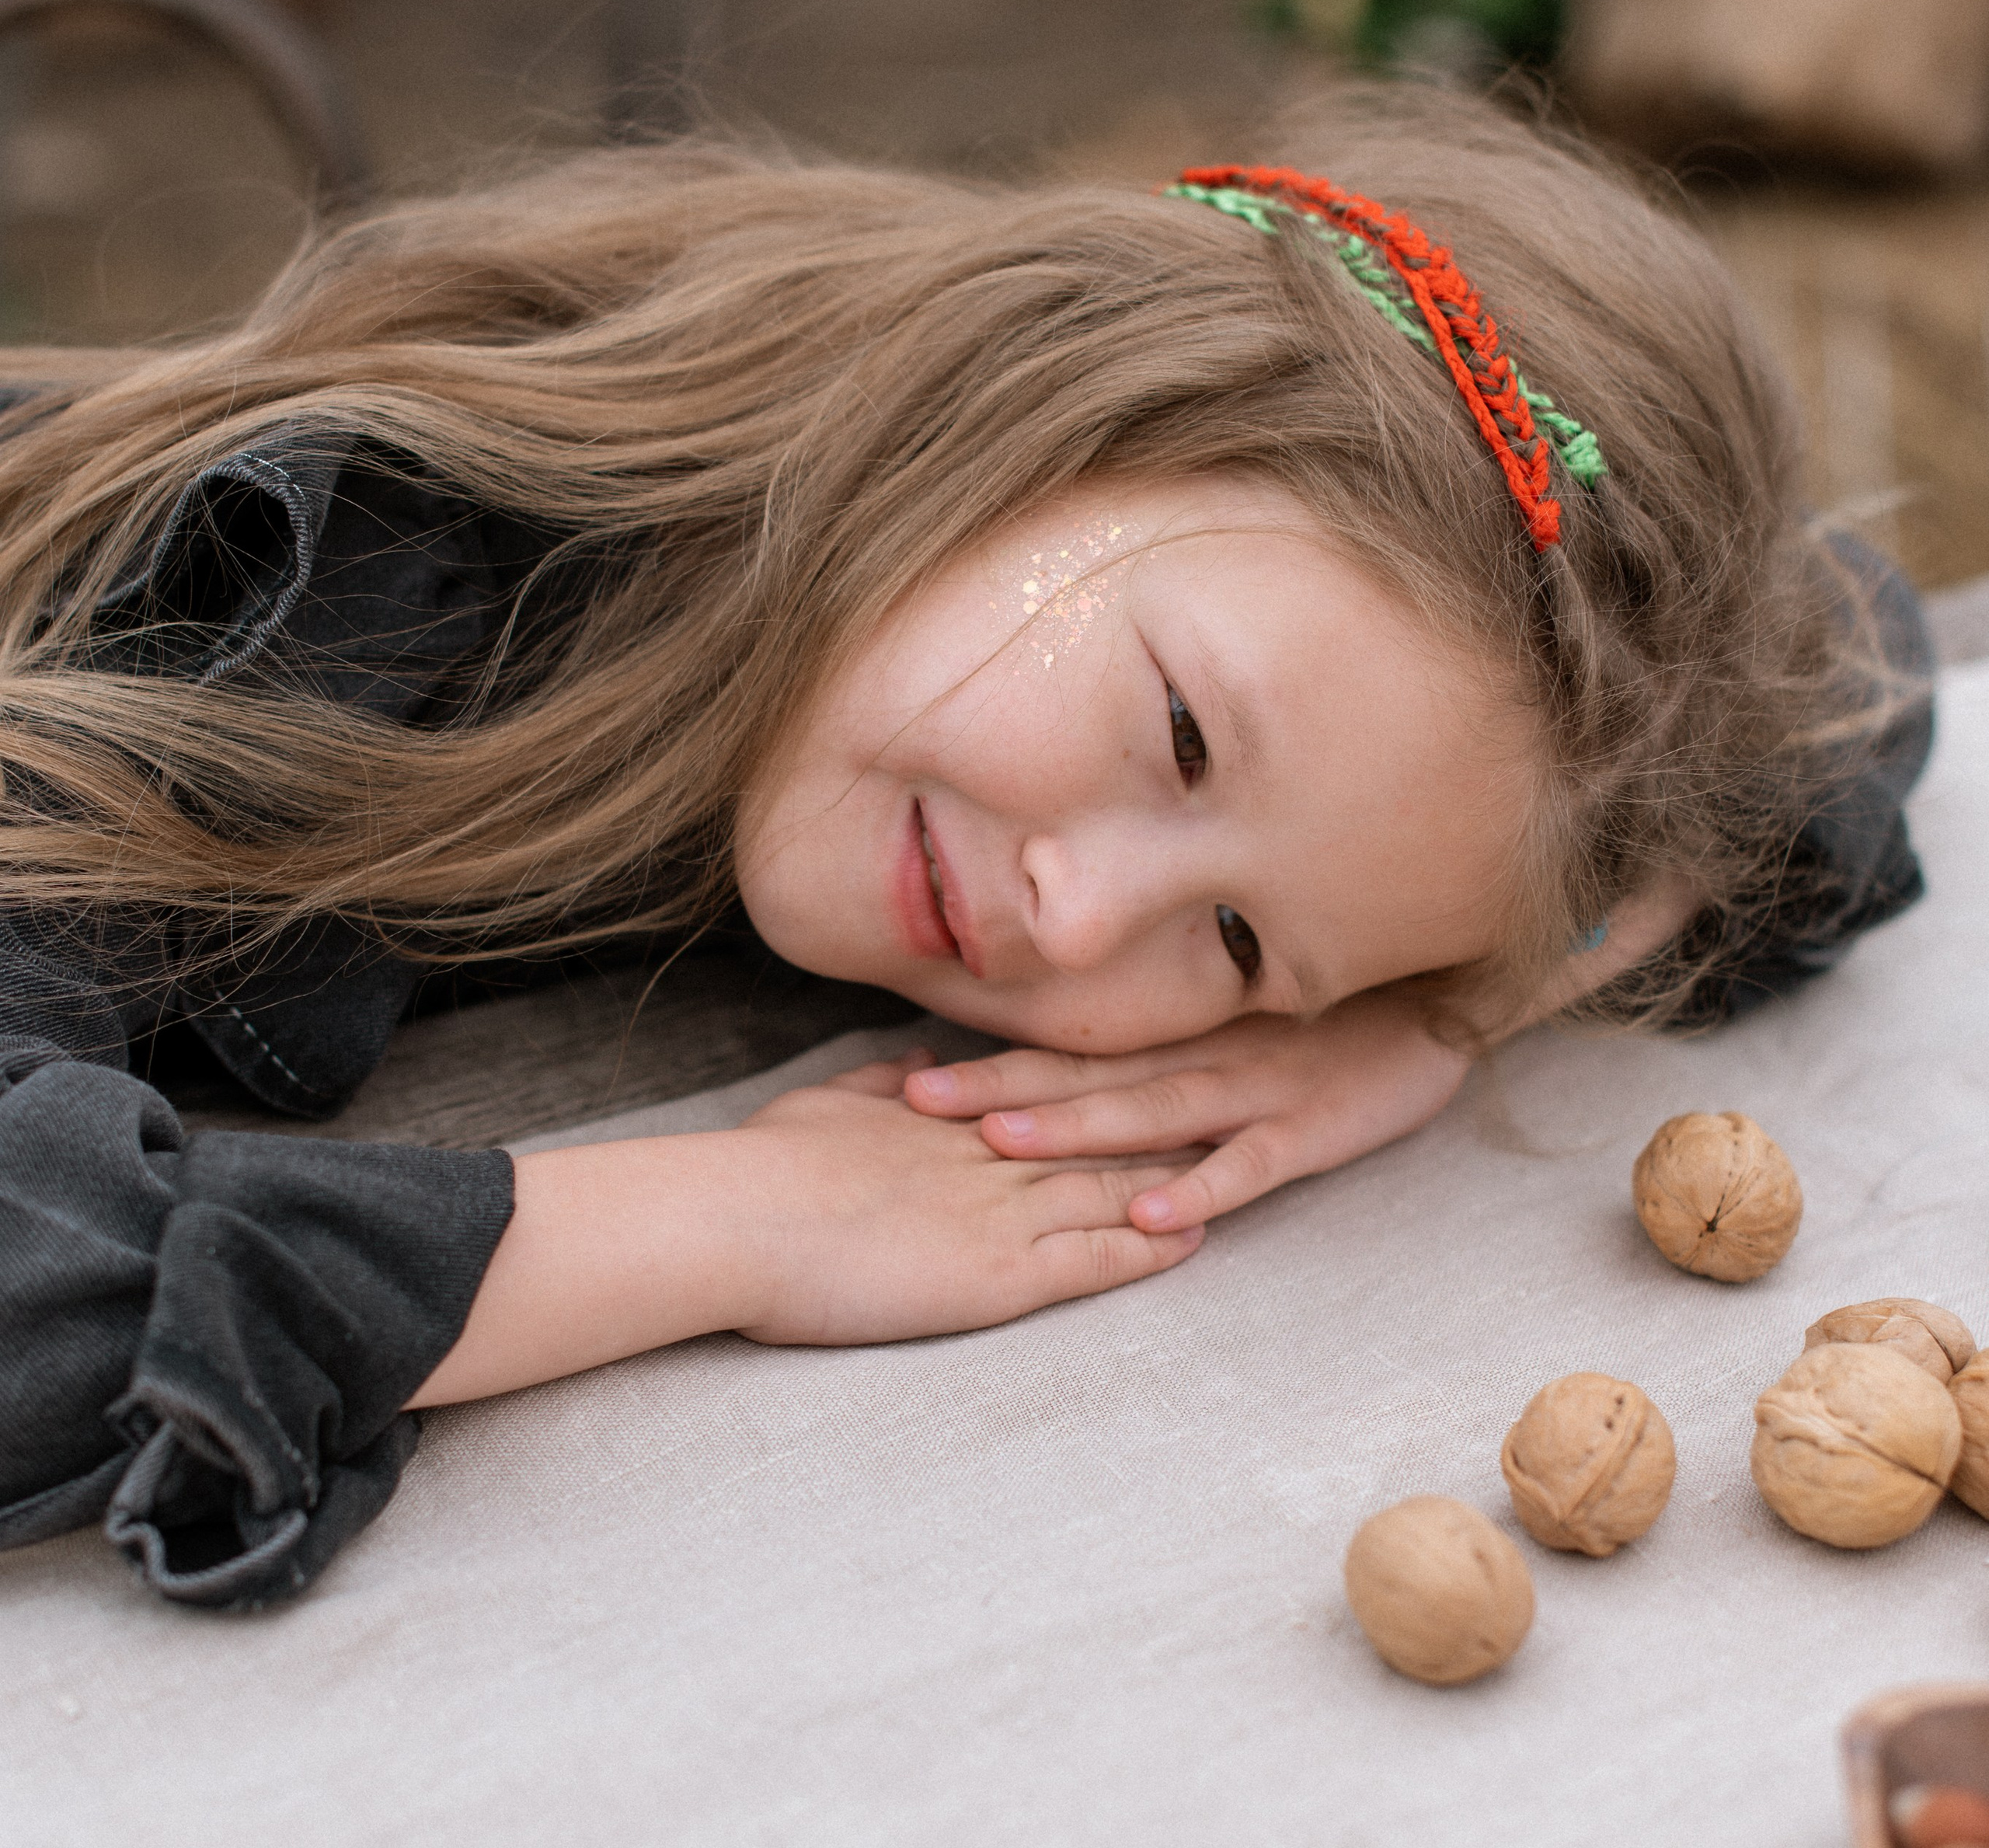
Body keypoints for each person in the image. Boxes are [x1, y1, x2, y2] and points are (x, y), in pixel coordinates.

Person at [0, 89, 1933, 1607]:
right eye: (1177, 731)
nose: (1077, 917)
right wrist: (737, 1220)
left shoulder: (924, 618)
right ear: (1058, 403)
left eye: (1237, 937)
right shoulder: (326, 594)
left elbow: (1833, 655)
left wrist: (1440, 1006)